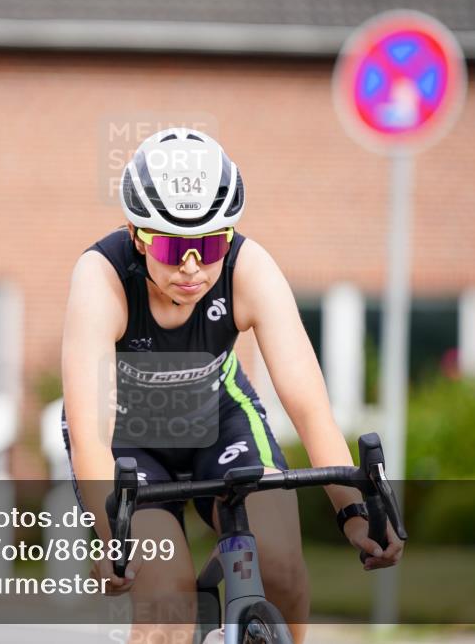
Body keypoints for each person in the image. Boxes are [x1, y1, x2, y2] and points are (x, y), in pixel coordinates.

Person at [61, 128, 404, 643]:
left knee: (283, 564)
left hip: (220, 423)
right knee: (167, 604)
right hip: (127, 440)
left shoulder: (249, 267)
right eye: (175, 247)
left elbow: (310, 408)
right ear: (138, 235)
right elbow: (90, 434)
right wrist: (116, 544)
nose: (194, 267)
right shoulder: (101, 277)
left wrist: (354, 512)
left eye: (211, 244)